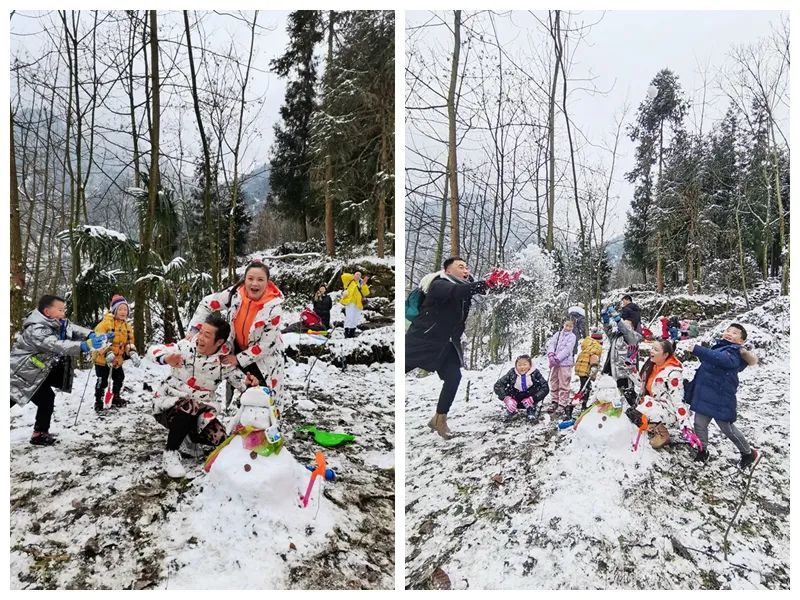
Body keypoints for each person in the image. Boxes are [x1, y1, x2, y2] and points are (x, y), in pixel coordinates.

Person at [147, 314, 260, 478]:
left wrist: (251, 383)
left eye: (207, 335)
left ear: (219, 342)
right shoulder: (185, 348)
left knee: (220, 438)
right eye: (201, 332)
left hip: (201, 410)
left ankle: (186, 438)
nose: (200, 338)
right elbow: (153, 350)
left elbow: (242, 384)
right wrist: (166, 358)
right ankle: (170, 453)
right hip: (168, 405)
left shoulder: (224, 362)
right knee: (189, 405)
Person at [10, 295, 112, 445]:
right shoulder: (36, 329)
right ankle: (39, 433)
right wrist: (83, 346)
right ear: (47, 312)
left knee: (47, 398)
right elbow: (57, 345)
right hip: (19, 374)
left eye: (63, 309)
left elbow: (73, 328)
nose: (63, 312)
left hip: (33, 374)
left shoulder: (58, 322)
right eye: (60, 309)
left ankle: (39, 433)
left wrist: (91, 334)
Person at [405, 256, 489, 438]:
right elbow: (457, 292)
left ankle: (439, 419)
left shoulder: (465, 285)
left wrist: (500, 281)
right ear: (448, 271)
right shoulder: (439, 284)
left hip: (446, 343)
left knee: (454, 377)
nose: (466, 270)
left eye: (467, 267)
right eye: (461, 267)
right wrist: (484, 283)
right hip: (422, 340)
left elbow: (478, 290)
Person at [188, 260, 284, 404]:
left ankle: (268, 425)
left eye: (260, 279)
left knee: (265, 399)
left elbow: (266, 345)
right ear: (244, 279)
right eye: (250, 279)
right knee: (244, 391)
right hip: (236, 347)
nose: (254, 284)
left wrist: (239, 359)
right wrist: (195, 329)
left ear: (267, 282)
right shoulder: (235, 294)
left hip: (263, 359)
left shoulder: (273, 308)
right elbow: (207, 303)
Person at [685, 324, 759, 467]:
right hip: (705, 395)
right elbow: (710, 362)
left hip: (721, 398)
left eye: (735, 333)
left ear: (741, 341)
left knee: (727, 428)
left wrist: (699, 350)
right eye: (727, 331)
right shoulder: (718, 348)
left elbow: (722, 360)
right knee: (699, 424)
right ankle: (702, 450)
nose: (729, 333)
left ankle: (748, 453)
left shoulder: (736, 352)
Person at [625, 339, 692, 449]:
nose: (651, 351)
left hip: (668, 410)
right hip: (653, 404)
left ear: (665, 354)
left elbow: (678, 400)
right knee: (633, 411)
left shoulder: (673, 373)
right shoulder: (653, 366)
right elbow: (642, 384)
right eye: (652, 348)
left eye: (656, 350)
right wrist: (631, 367)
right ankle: (653, 427)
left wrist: (685, 425)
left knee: (641, 410)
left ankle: (662, 433)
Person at [92, 295, 140, 412]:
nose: (123, 312)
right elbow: (98, 340)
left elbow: (129, 342)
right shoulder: (105, 324)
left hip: (117, 360)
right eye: (120, 309)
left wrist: (132, 352)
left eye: (125, 309)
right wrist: (107, 352)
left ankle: (115, 397)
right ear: (114, 310)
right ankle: (99, 400)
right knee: (102, 381)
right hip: (102, 360)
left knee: (119, 377)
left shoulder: (127, 326)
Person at [601, 307, 643, 402]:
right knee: (615, 394)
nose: (624, 325)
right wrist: (605, 320)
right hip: (614, 369)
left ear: (632, 327)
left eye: (627, 324)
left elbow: (625, 330)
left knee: (628, 395)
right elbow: (608, 331)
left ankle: (633, 410)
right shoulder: (616, 336)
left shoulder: (633, 337)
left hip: (626, 373)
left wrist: (617, 317)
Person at [493, 355, 549, 421]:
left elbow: (545, 387)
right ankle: (511, 409)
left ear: (530, 365)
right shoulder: (512, 373)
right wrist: (506, 398)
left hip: (530, 398)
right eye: (519, 365)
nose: (522, 367)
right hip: (515, 398)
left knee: (535, 391)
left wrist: (534, 398)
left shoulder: (535, 373)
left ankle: (531, 409)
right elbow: (498, 385)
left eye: (525, 364)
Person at [546, 319, 577, 419]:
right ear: (563, 325)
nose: (567, 328)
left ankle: (562, 403)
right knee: (554, 380)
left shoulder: (572, 337)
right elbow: (552, 344)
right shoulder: (558, 334)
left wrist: (558, 358)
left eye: (570, 326)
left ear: (572, 327)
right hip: (554, 363)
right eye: (566, 325)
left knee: (564, 382)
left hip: (565, 363)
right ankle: (555, 400)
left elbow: (568, 349)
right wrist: (551, 354)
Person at [574, 326, 603, 410]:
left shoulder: (588, 344)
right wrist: (594, 367)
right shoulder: (597, 347)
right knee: (586, 388)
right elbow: (594, 357)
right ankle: (582, 404)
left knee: (584, 385)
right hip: (586, 368)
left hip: (580, 366)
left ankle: (580, 401)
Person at [340, 271, 370, 338]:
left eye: (359, 275)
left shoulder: (360, 283)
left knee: (355, 318)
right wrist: (353, 277)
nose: (358, 276)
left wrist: (364, 284)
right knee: (349, 317)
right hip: (350, 302)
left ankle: (352, 333)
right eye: (357, 274)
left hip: (358, 303)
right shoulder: (349, 281)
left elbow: (366, 293)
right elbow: (343, 276)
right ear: (354, 274)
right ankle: (346, 332)